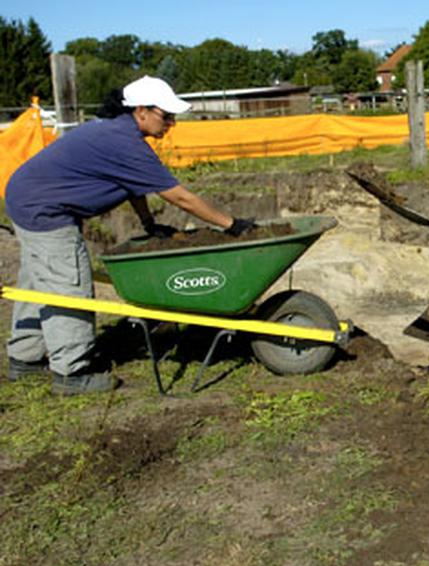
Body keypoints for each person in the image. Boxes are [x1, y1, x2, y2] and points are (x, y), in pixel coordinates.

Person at [4, 75, 256, 395]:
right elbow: (181, 198)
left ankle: (24, 358)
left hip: (26, 198)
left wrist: (148, 223)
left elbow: (132, 186)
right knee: (68, 284)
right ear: (141, 111)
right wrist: (231, 224)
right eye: (166, 116)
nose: (172, 123)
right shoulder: (124, 144)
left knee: (39, 280)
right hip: (45, 210)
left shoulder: (117, 132)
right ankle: (71, 371)